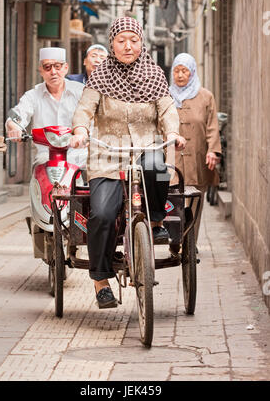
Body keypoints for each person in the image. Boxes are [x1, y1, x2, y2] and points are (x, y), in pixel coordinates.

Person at [70, 17, 186, 309]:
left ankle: (156, 221)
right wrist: (81, 130)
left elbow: (167, 109)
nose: (128, 46)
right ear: (111, 43)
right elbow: (84, 109)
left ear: (141, 42)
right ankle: (100, 280)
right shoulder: (100, 76)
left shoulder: (155, 73)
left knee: (158, 165)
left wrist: (172, 132)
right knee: (103, 214)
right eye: (121, 40)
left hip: (145, 145)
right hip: (107, 153)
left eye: (133, 40)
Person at [169, 52, 222, 245]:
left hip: (198, 159)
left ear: (192, 72)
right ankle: (176, 239)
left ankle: (190, 244)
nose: (180, 75)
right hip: (171, 160)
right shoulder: (166, 96)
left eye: (184, 71)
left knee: (195, 203)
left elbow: (212, 126)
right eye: (177, 71)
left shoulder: (206, 97)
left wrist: (213, 150)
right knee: (174, 202)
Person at [6, 47, 87, 168]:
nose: (53, 72)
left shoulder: (80, 91)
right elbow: (16, 117)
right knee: (39, 175)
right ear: (41, 71)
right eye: (47, 67)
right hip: (46, 156)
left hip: (80, 156)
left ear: (66, 68)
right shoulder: (32, 95)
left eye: (57, 66)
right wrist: (14, 128)